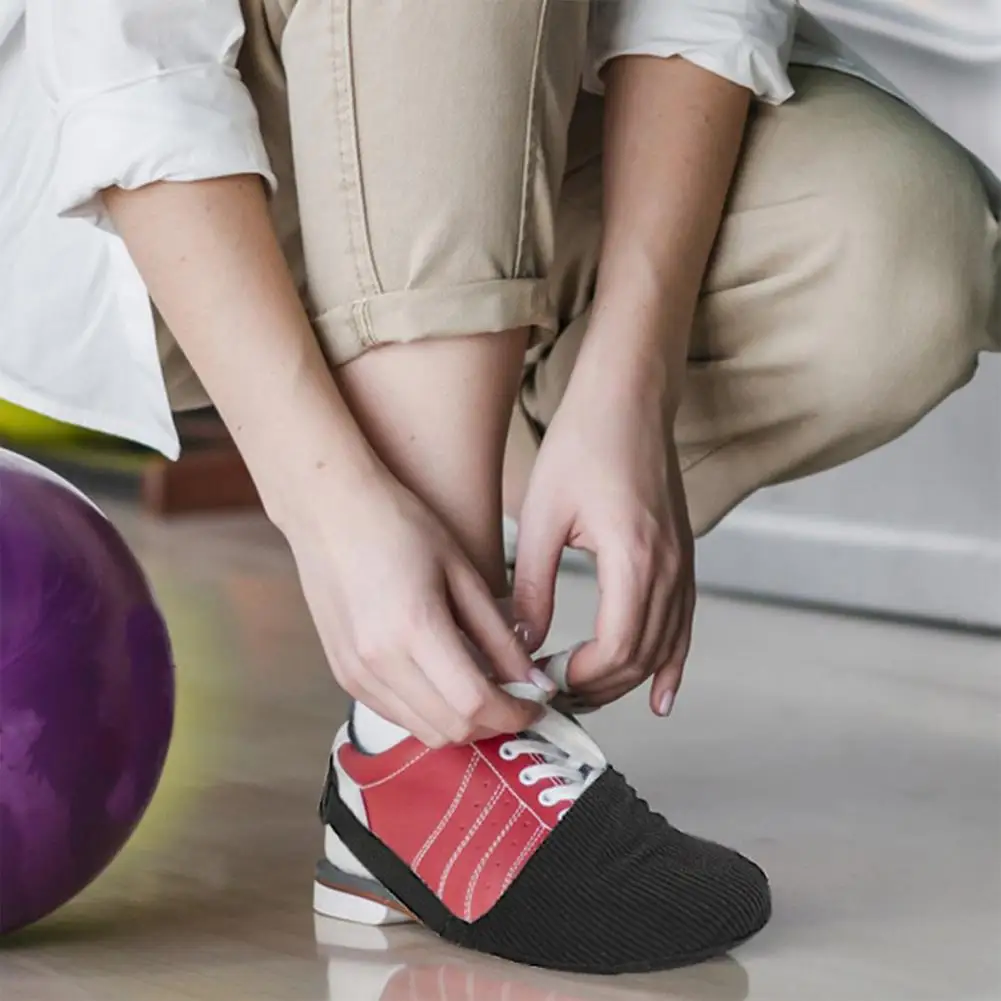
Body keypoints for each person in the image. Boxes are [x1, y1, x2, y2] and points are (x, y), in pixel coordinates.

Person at [2, 0, 997, 973]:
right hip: (152, 202)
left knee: (895, 259)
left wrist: (629, 373)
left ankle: (443, 634)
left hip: (525, 108)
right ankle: (428, 737)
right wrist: (323, 505)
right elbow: (131, 68)